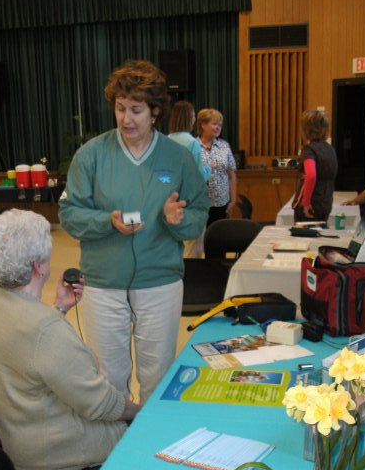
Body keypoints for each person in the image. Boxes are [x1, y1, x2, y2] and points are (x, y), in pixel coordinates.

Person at [59, 60, 209, 403]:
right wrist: (104, 222)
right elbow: (68, 214)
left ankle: (148, 447)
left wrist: (177, 220)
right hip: (103, 283)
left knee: (157, 378)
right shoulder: (92, 155)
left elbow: (199, 213)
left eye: (137, 110)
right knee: (109, 380)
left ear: (155, 111)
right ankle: (114, 451)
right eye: (120, 108)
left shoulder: (177, 157)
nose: (127, 119)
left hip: (160, 282)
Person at [0, 209, 140, 470]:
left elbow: (28, 348)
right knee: (143, 431)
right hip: (40, 448)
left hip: (4, 433)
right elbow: (101, 404)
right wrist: (142, 412)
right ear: (39, 267)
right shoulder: (45, 330)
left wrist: (59, 308)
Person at [292, 110, 338, 223]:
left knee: (303, 238)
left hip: (312, 202)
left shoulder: (309, 150)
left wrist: (306, 203)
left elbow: (311, 175)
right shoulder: (330, 149)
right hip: (326, 201)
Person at [197, 108, 237, 226]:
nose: (218, 127)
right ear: (203, 124)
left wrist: (233, 200)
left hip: (221, 203)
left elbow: (231, 175)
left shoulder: (224, 146)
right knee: (200, 241)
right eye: (214, 124)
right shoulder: (193, 146)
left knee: (218, 239)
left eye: (220, 124)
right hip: (200, 203)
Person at [168, 101, 211, 181]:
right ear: (189, 118)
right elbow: (199, 176)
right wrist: (209, 169)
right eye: (193, 116)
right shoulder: (192, 143)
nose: (194, 119)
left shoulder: (165, 141)